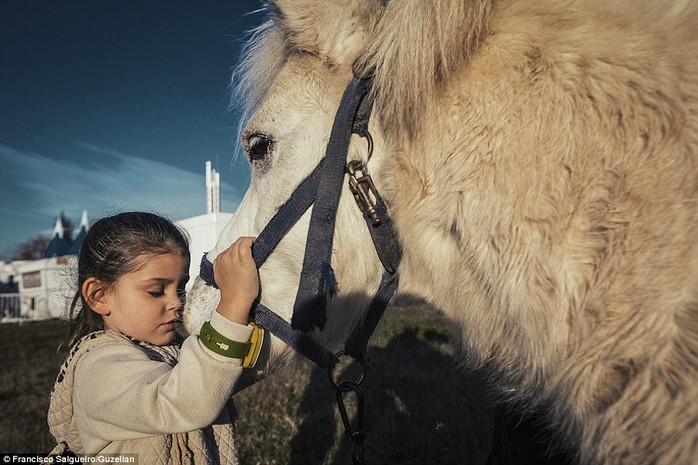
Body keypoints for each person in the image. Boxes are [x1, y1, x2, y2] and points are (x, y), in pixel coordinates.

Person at [47, 211, 260, 464]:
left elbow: (225, 375)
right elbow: (185, 402)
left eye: (180, 288)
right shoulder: (99, 367)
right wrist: (234, 303)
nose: (176, 302)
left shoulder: (176, 348)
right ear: (99, 296)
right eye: (156, 291)